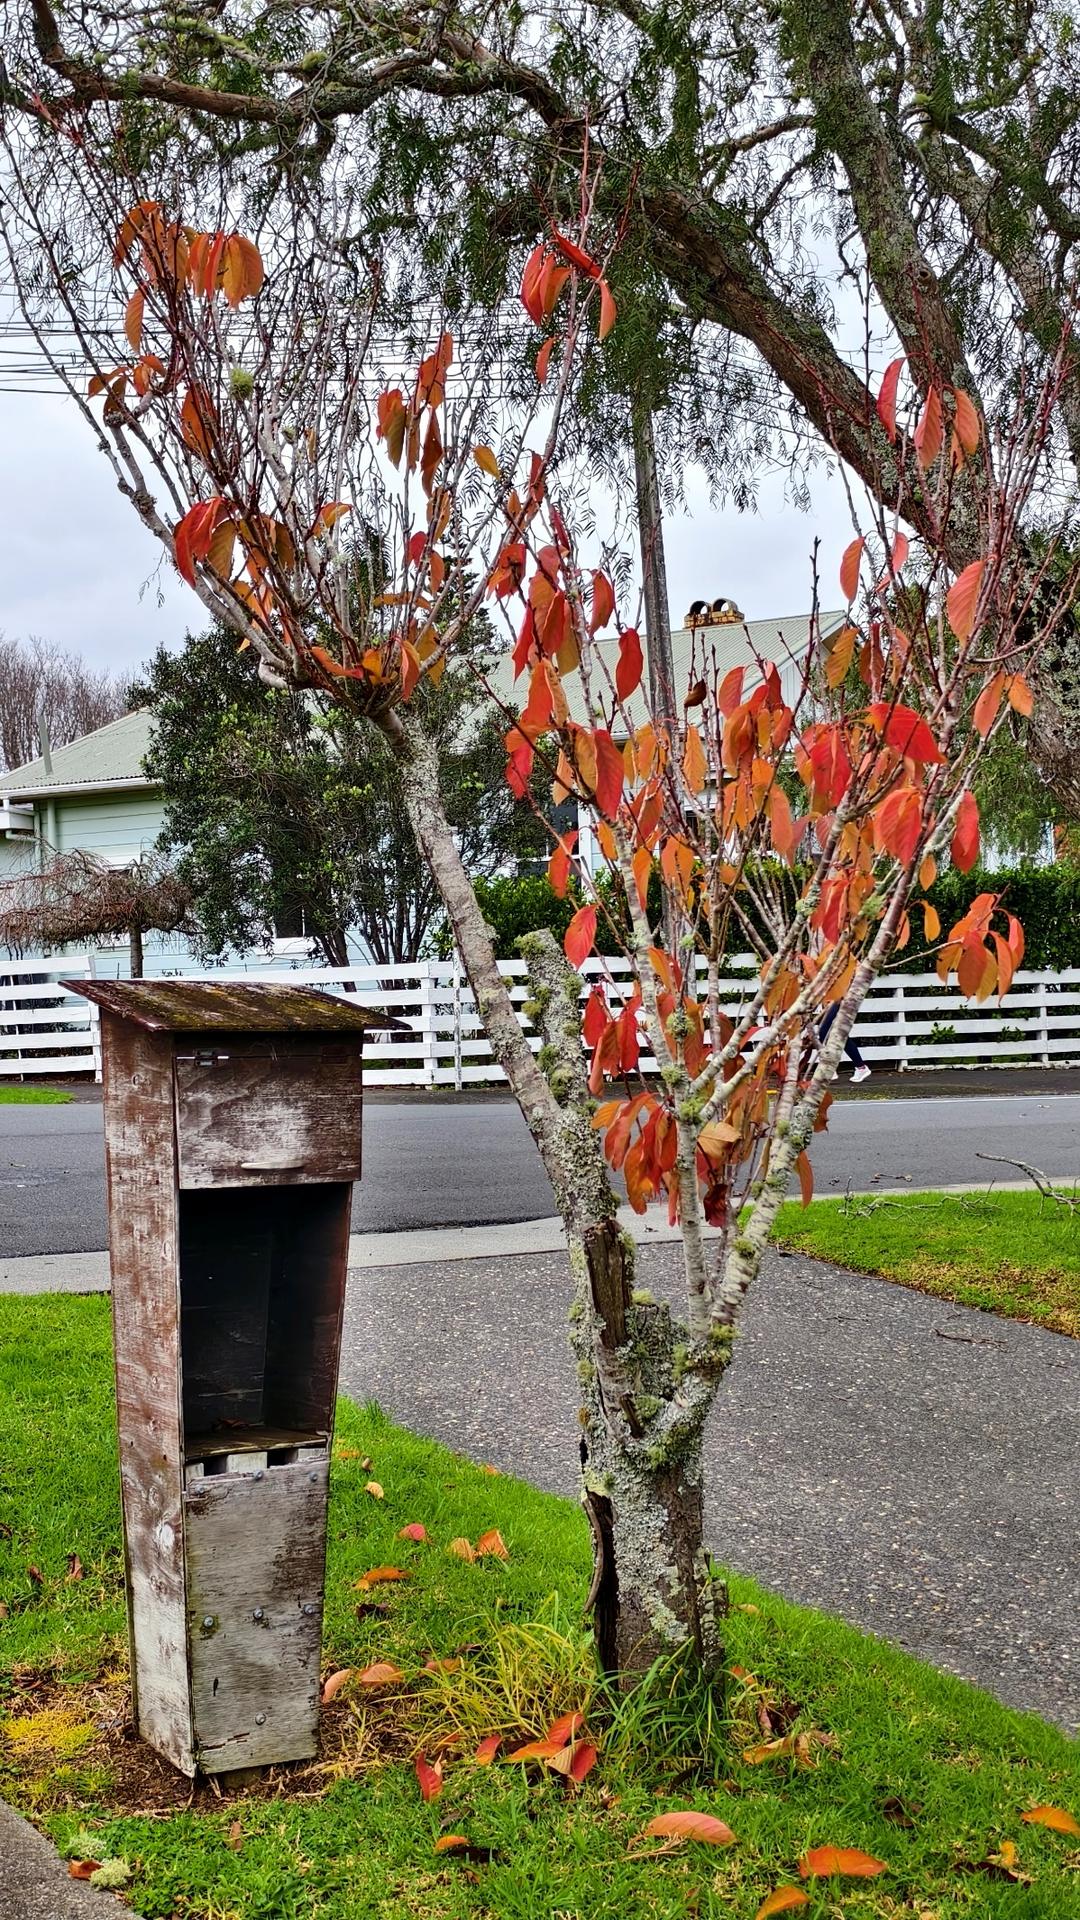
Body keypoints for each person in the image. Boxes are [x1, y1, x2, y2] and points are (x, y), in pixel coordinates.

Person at [818, 1001, 871, 1083]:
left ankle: (830, 1069)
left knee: (824, 1032)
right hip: (836, 1001)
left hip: (840, 1001)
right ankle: (861, 1067)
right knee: (840, 1035)